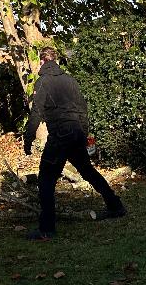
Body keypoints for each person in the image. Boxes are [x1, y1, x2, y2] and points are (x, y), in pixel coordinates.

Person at [23, 44, 126, 241]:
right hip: (77, 132)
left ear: (43, 61)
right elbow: (83, 110)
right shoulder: (70, 80)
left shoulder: (42, 82)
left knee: (46, 180)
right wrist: (84, 137)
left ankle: (46, 229)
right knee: (88, 171)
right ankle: (116, 206)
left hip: (60, 135)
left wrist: (27, 140)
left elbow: (36, 113)